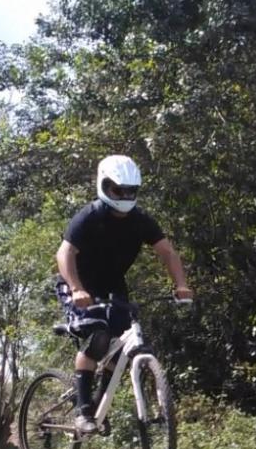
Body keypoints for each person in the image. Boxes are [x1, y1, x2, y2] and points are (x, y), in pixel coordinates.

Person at [55, 154, 193, 434]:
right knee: (98, 338)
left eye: (131, 190)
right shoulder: (90, 215)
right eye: (119, 190)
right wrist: (77, 288)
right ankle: (83, 412)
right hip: (78, 284)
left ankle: (98, 406)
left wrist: (181, 285)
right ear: (104, 186)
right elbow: (65, 252)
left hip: (113, 286)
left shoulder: (140, 220)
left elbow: (167, 252)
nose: (125, 195)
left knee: (122, 349)